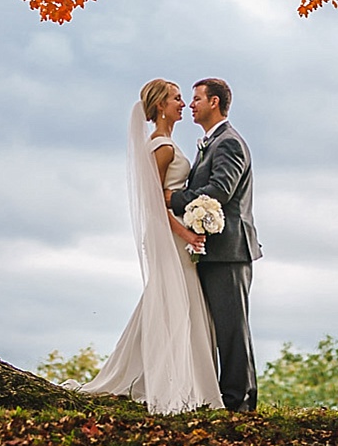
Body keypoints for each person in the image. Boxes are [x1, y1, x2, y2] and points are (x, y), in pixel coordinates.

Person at [84, 79, 224, 413]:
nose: (182, 104)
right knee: (176, 303)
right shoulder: (161, 146)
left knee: (171, 302)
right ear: (160, 106)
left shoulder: (166, 142)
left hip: (172, 233)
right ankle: (174, 382)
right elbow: (153, 203)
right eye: (176, 99)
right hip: (169, 236)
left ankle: (164, 374)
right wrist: (186, 233)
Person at [168, 77, 260, 412]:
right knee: (216, 328)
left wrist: (174, 199)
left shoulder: (229, 143)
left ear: (215, 103)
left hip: (230, 252)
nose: (190, 105)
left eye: (196, 99)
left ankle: (240, 403)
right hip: (213, 252)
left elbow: (221, 190)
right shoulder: (209, 142)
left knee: (232, 329)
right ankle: (220, 396)